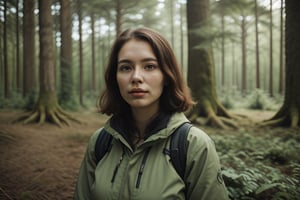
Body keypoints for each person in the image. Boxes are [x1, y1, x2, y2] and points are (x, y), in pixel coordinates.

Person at [74, 27, 229, 200]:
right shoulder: (101, 142)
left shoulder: (194, 145)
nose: (136, 77)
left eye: (149, 66)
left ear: (167, 75)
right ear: (115, 77)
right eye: (125, 68)